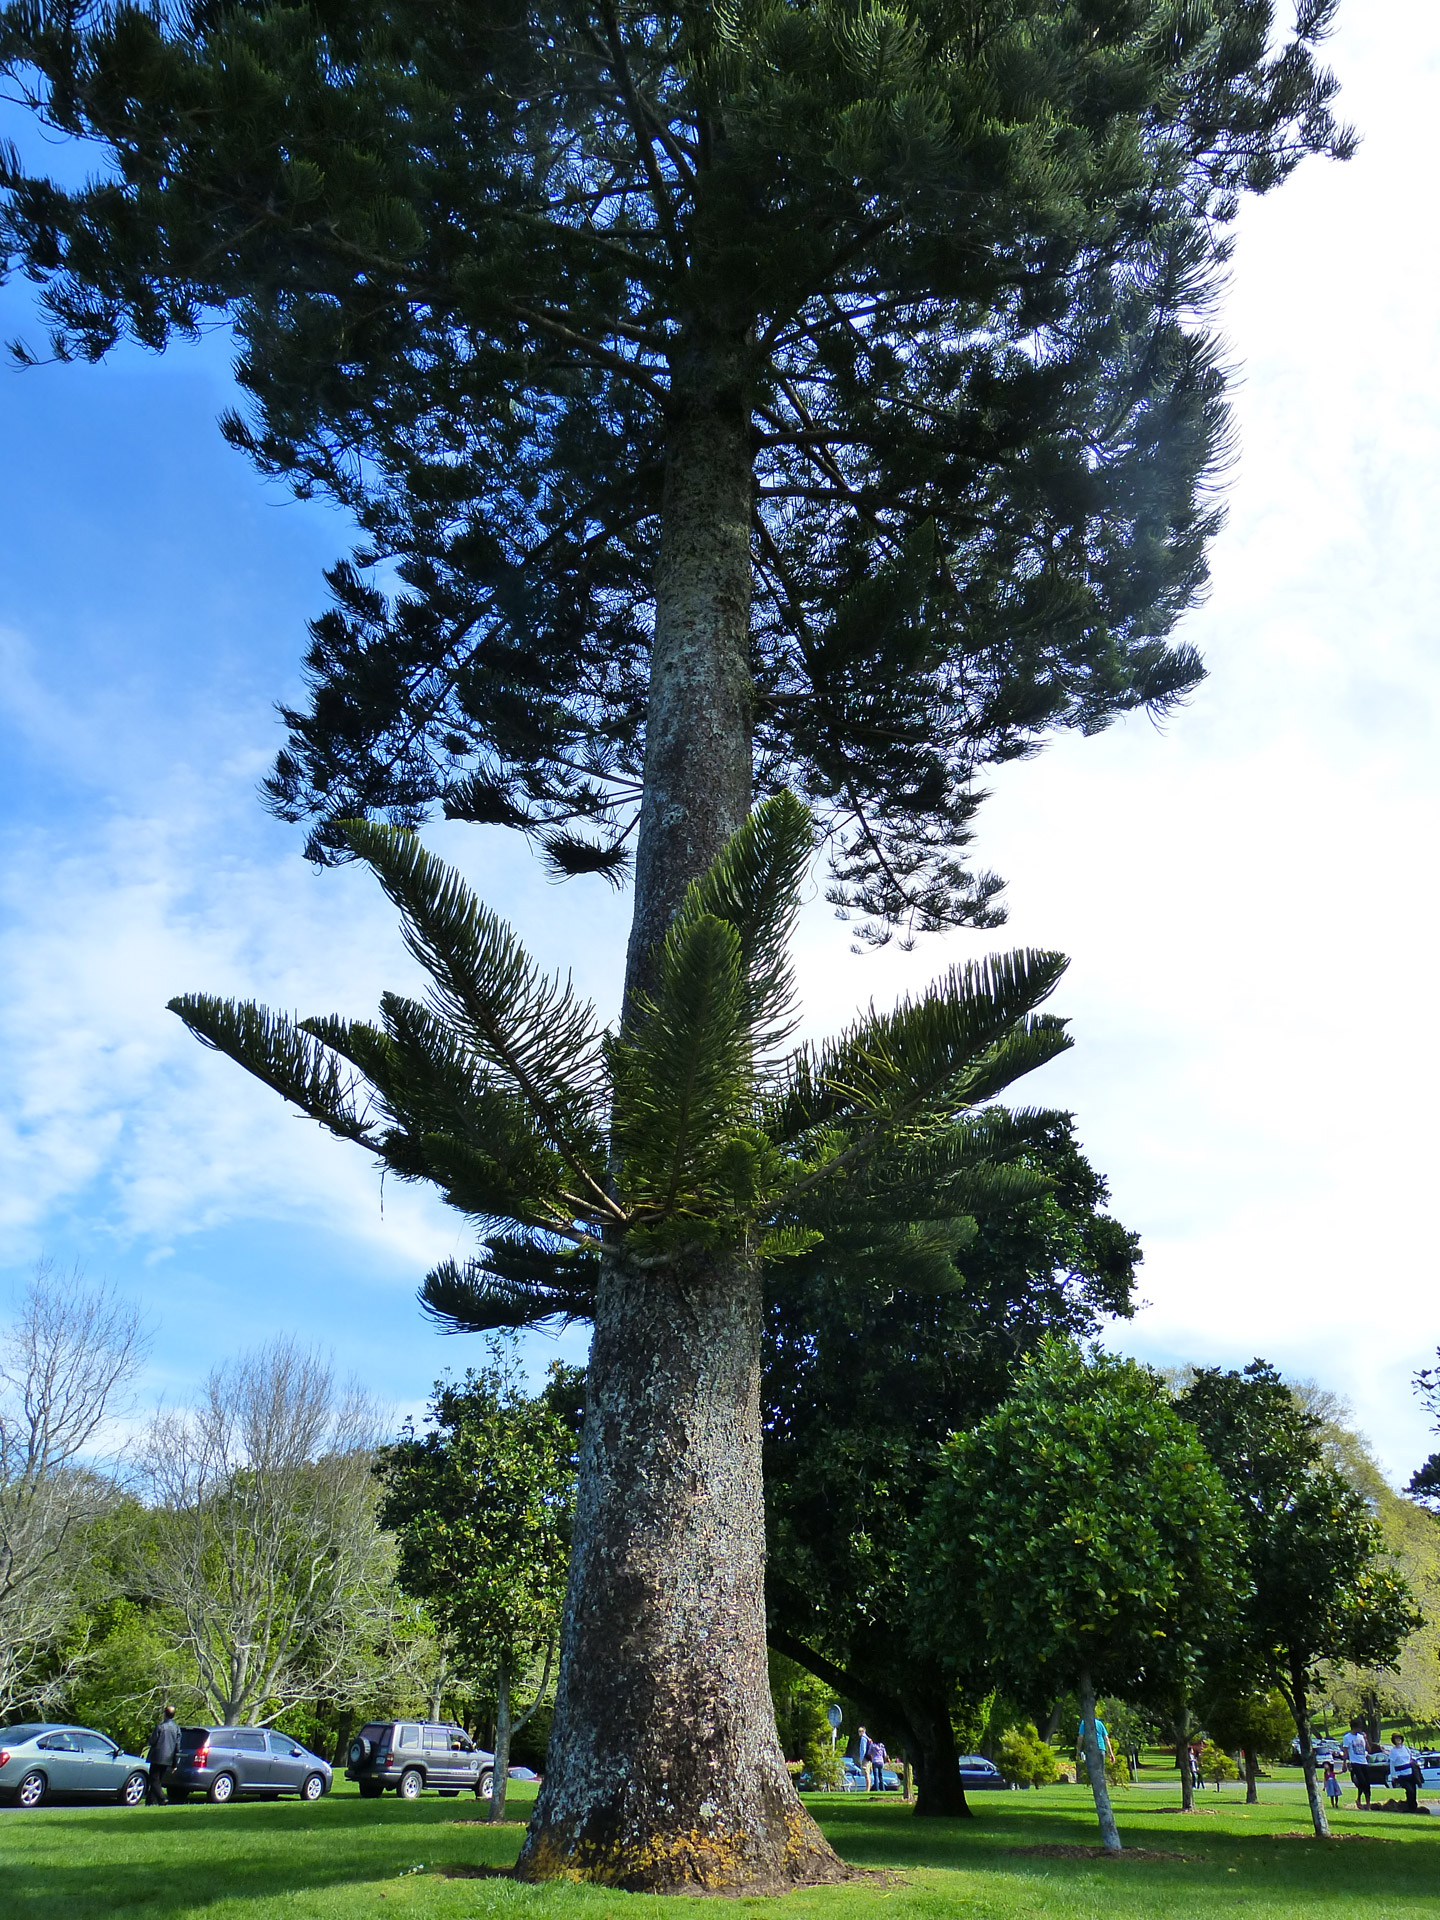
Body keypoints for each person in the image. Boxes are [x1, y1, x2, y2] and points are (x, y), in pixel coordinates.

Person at [145, 1704, 180, 1805]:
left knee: (153, 1779)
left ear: (165, 1714)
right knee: (158, 1780)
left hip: (157, 1757)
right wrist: (174, 1764)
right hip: (168, 1758)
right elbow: (177, 1746)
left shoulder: (160, 1726)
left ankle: (161, 1799)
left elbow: (152, 1741)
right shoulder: (176, 1728)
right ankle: (150, 1802)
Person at [1387, 1732, 1422, 1814]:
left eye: (1399, 1738)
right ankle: (1410, 1807)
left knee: (1413, 1790)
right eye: (1396, 1739)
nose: (1398, 1740)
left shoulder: (1406, 1748)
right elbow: (1392, 1764)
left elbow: (1410, 1758)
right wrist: (1393, 1775)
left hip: (1410, 1773)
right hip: (1401, 1774)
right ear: (1394, 1741)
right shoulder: (1393, 1751)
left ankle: (1413, 1807)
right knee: (1410, 1790)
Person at [1340, 1724, 1371, 1808]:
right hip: (1354, 1762)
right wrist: (1344, 1764)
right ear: (1354, 1727)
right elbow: (1345, 1751)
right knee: (1362, 1781)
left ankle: (1367, 1803)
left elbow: (1369, 1749)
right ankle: (1360, 1800)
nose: (1360, 1730)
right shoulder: (1347, 1737)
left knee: (1367, 1783)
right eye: (1359, 1728)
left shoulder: (1361, 1737)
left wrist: (1366, 1739)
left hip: (1364, 1762)